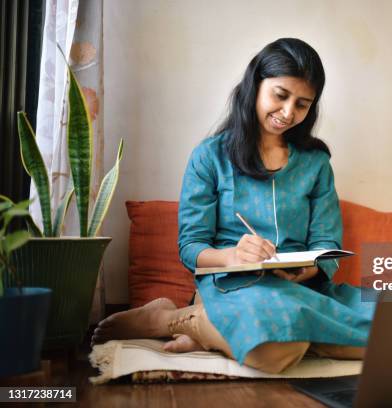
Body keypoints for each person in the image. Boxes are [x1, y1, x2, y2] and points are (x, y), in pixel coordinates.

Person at [92, 38, 375, 374]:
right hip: (235, 288)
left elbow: (327, 243)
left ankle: (210, 332)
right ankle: (168, 319)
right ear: (255, 85)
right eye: (280, 95)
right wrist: (233, 256)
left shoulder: (316, 163)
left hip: (304, 291)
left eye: (302, 104)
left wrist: (308, 268)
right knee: (277, 346)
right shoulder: (210, 157)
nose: (288, 113)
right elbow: (191, 246)